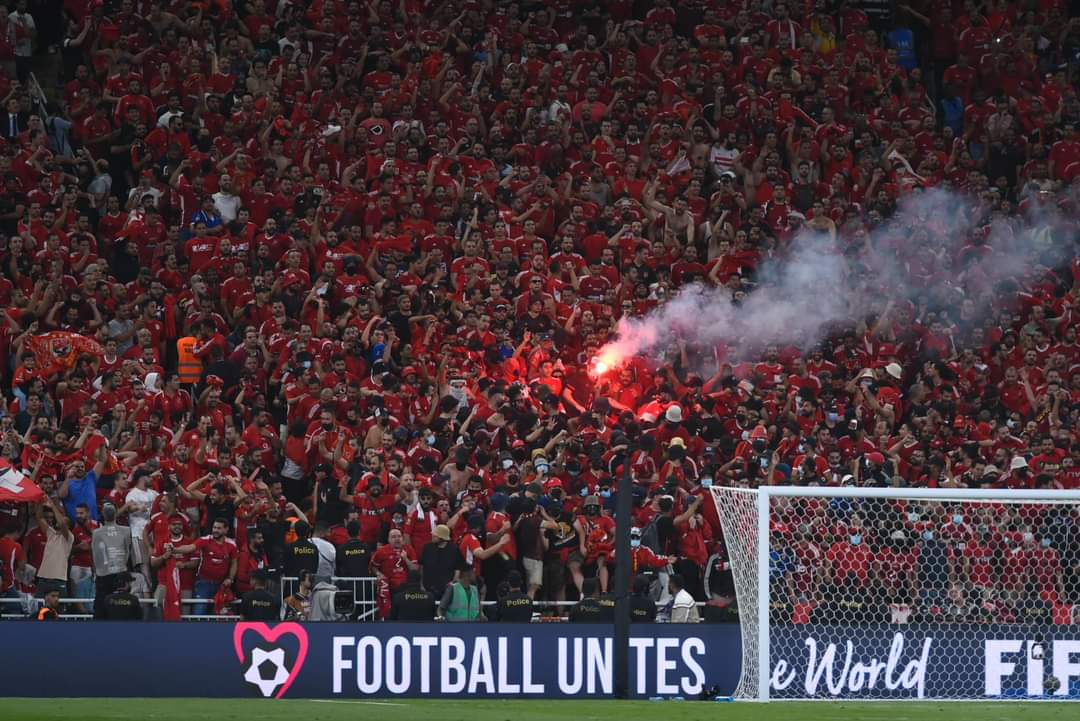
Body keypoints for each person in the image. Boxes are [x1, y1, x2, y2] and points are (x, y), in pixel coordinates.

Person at [172, 518, 237, 616]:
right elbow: (189, 548)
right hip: (203, 583)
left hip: (221, 585)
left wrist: (230, 578)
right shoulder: (205, 540)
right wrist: (174, 549)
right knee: (198, 613)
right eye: (214, 527)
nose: (215, 530)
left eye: (219, 528)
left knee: (220, 615)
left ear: (226, 530)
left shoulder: (232, 545)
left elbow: (234, 562)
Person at [91, 502, 132, 618]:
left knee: (106, 610)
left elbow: (95, 555)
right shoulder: (126, 530)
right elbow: (128, 551)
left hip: (108, 575)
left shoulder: (97, 533)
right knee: (117, 610)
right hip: (116, 574)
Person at [34, 496, 73, 597]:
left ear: (68, 527)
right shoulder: (51, 533)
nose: (59, 521)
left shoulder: (69, 538)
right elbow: (39, 518)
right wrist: (40, 501)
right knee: (39, 606)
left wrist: (52, 505)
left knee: (60, 606)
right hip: (43, 579)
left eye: (64, 521)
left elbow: (62, 523)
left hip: (58, 580)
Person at [419, 524, 463, 594]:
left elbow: (457, 568)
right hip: (428, 589)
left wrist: (453, 584)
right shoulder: (427, 548)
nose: (432, 536)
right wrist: (421, 585)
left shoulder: (454, 550)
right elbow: (421, 567)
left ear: (442, 538)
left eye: (435, 536)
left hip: (446, 590)